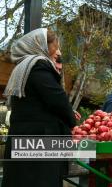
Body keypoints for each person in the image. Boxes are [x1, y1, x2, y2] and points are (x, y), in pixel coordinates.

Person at [2, 28, 77, 187]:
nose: (57, 52)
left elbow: (37, 104)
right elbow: (57, 100)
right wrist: (70, 119)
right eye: (54, 47)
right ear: (41, 46)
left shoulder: (23, 67)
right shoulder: (38, 65)